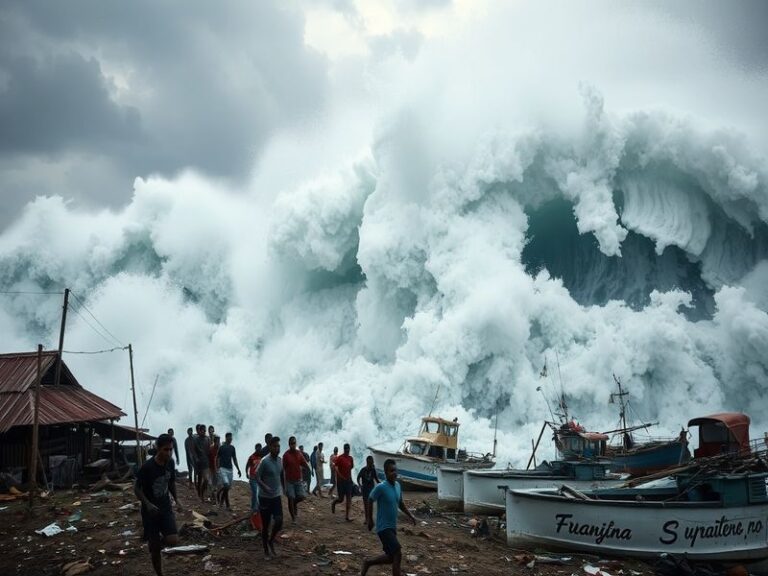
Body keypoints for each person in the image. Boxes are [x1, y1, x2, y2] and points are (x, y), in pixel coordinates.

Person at [135, 434, 183, 576]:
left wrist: (177, 499)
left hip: (165, 507)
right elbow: (136, 489)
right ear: (158, 449)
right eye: (165, 450)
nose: (168, 453)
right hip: (150, 512)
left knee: (173, 539)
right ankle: (159, 573)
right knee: (155, 551)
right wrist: (148, 504)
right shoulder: (147, 467)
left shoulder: (170, 463)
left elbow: (171, 482)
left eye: (171, 450)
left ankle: (154, 542)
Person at [361, 459, 416, 576]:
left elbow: (400, 503)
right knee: (398, 553)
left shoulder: (397, 486)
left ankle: (368, 563)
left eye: (395, 470)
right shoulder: (381, 487)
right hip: (383, 527)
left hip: (392, 527)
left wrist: (410, 515)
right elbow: (370, 499)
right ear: (385, 472)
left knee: (391, 557)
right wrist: (370, 519)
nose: (394, 473)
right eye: (391, 471)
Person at [256, 436, 284, 559]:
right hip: (265, 497)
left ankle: (271, 540)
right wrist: (264, 486)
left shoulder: (280, 460)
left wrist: (284, 488)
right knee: (266, 525)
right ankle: (266, 548)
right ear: (270, 447)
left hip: (276, 495)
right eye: (275, 446)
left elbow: (281, 474)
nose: (277, 448)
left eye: (278, 446)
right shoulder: (264, 461)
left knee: (279, 521)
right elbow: (256, 476)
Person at [283, 436, 311, 523]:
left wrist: (309, 469)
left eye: (294, 443)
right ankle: (293, 518)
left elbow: (304, 463)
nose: (293, 445)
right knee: (290, 498)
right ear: (289, 444)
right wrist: (283, 484)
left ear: (296, 443)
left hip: (298, 480)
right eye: (291, 444)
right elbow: (283, 469)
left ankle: (294, 503)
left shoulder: (299, 453)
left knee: (302, 497)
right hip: (289, 481)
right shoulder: (286, 455)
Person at [217, 432, 241, 510]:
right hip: (223, 468)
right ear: (226, 438)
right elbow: (217, 458)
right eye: (229, 438)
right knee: (226, 486)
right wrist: (217, 468)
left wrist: (238, 469)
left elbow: (234, 459)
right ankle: (226, 504)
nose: (231, 439)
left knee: (227, 487)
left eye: (231, 438)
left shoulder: (232, 448)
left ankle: (220, 493)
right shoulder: (222, 447)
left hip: (230, 469)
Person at [331, 443, 354, 521]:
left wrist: (350, 479)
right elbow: (335, 467)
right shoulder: (340, 458)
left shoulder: (350, 458)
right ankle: (334, 503)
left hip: (348, 481)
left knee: (349, 498)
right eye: (346, 449)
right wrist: (340, 476)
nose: (347, 450)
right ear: (344, 449)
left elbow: (351, 468)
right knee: (341, 499)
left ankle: (347, 516)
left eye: (348, 449)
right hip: (341, 482)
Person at [357, 455, 380, 527]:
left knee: (370, 504)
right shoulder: (363, 470)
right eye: (371, 463)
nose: (372, 464)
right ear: (367, 462)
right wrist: (360, 485)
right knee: (365, 504)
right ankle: (366, 519)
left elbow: (376, 480)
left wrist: (383, 485)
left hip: (371, 490)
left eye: (372, 462)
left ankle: (369, 519)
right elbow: (358, 478)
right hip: (365, 489)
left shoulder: (373, 470)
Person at [194, 424, 211, 502]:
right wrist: (196, 459)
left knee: (206, 480)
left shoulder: (208, 439)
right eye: (202, 430)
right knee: (200, 479)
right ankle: (200, 495)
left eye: (205, 430)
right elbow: (194, 451)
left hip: (206, 462)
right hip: (199, 463)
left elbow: (209, 450)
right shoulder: (196, 439)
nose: (204, 431)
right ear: (199, 431)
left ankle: (202, 494)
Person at [246, 442, 263, 513]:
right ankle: (255, 508)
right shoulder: (251, 457)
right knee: (255, 492)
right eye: (258, 448)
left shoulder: (262, 457)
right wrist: (246, 473)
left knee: (257, 493)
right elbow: (247, 466)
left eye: (260, 448)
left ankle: (254, 507)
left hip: (260, 479)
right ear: (255, 449)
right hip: (253, 478)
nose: (259, 450)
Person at [208, 434, 220, 503]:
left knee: (217, 485)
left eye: (219, 441)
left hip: (218, 469)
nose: (218, 443)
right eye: (217, 441)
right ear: (215, 442)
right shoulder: (211, 449)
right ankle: (213, 497)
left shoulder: (220, 448)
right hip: (211, 469)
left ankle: (215, 498)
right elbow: (208, 458)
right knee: (211, 484)